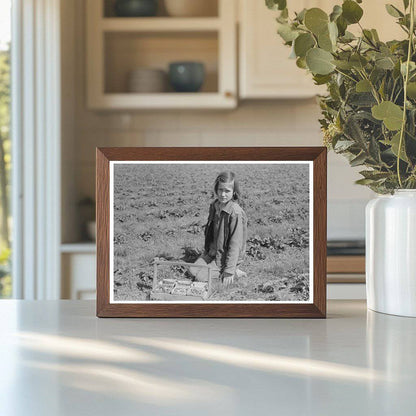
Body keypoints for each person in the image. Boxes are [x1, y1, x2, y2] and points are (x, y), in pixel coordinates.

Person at [198, 171, 247, 286]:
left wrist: (229, 271)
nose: (223, 194)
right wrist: (208, 251)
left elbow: (235, 244)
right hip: (214, 252)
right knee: (192, 271)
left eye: (227, 191)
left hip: (224, 257)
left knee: (200, 278)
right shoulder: (215, 206)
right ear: (216, 189)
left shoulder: (235, 213)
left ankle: (233, 269)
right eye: (220, 190)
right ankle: (215, 264)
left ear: (234, 192)